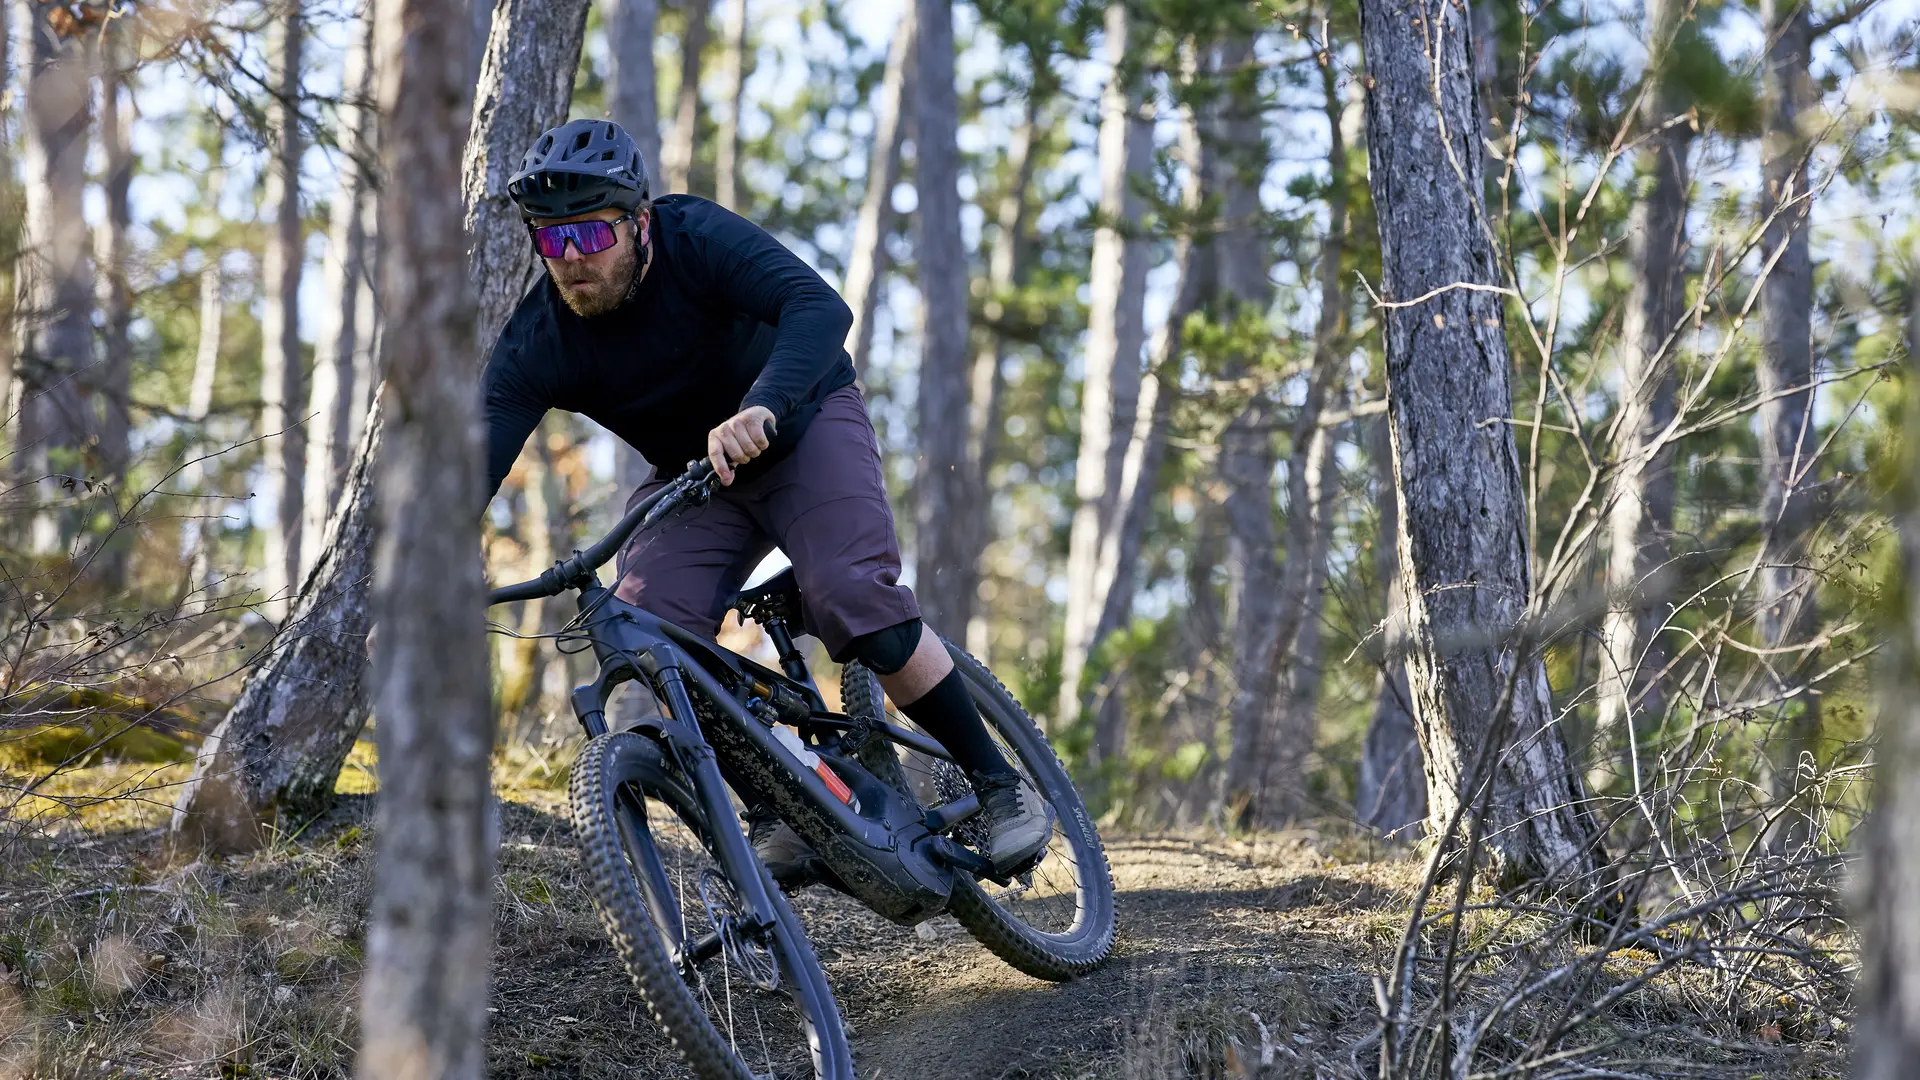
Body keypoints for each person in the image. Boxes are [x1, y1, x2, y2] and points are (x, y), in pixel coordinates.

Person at [483, 119, 1050, 878]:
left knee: (852, 595)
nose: (573, 260)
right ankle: (786, 808)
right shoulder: (540, 338)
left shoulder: (697, 237)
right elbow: (476, 455)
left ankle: (1001, 786)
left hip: (801, 425)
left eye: (591, 234)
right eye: (552, 241)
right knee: (647, 645)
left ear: (640, 223)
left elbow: (820, 310)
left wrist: (763, 404)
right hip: (694, 478)